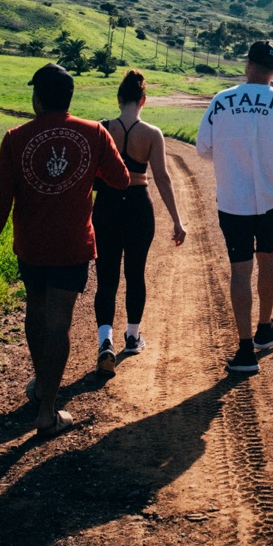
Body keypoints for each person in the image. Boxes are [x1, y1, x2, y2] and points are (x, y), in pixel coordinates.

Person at [0, 63, 130, 438]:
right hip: (72, 245)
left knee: (36, 309)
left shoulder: (16, 137)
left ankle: (43, 384)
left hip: (30, 245)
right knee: (60, 319)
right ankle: (47, 409)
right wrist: (86, 172)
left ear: (39, 98)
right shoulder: (93, 133)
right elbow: (122, 179)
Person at [195, 40, 273, 375]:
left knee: (240, 270)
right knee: (268, 257)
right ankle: (264, 328)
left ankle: (245, 349)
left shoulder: (221, 101)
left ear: (247, 65)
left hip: (233, 201)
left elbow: (203, 148)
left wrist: (230, 159)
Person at [92, 68, 186, 376]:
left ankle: (104, 340)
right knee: (136, 273)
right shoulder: (152, 134)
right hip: (138, 206)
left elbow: (89, 177)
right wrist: (177, 220)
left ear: (119, 98)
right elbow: (162, 178)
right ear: (143, 100)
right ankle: (132, 337)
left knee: (106, 277)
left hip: (106, 205)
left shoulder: (102, 129)